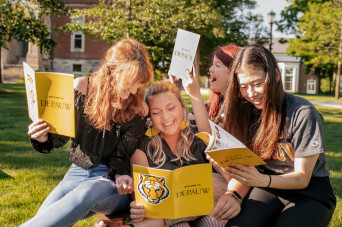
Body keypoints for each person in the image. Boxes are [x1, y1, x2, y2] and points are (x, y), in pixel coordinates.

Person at [21, 39, 153, 227]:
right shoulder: (81, 87)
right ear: (113, 72)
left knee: (86, 191)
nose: (134, 89)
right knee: (44, 216)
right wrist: (43, 137)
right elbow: (61, 135)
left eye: (139, 84)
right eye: (131, 82)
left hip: (112, 181)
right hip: (77, 172)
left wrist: (119, 175)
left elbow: (121, 154)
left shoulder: (139, 108)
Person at [215, 44, 336, 226]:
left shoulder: (303, 113)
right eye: (244, 86)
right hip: (269, 187)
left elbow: (302, 177)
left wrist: (262, 179)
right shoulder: (246, 111)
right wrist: (234, 194)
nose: (251, 93)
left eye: (257, 83)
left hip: (309, 192)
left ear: (275, 76)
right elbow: (244, 163)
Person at [121, 81, 229, 227]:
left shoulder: (199, 134)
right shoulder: (142, 146)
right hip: (169, 220)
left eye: (171, 108)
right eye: (156, 112)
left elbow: (229, 179)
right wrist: (138, 210)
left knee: (216, 220)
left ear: (183, 107)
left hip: (207, 211)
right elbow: (144, 203)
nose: (165, 117)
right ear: (149, 117)